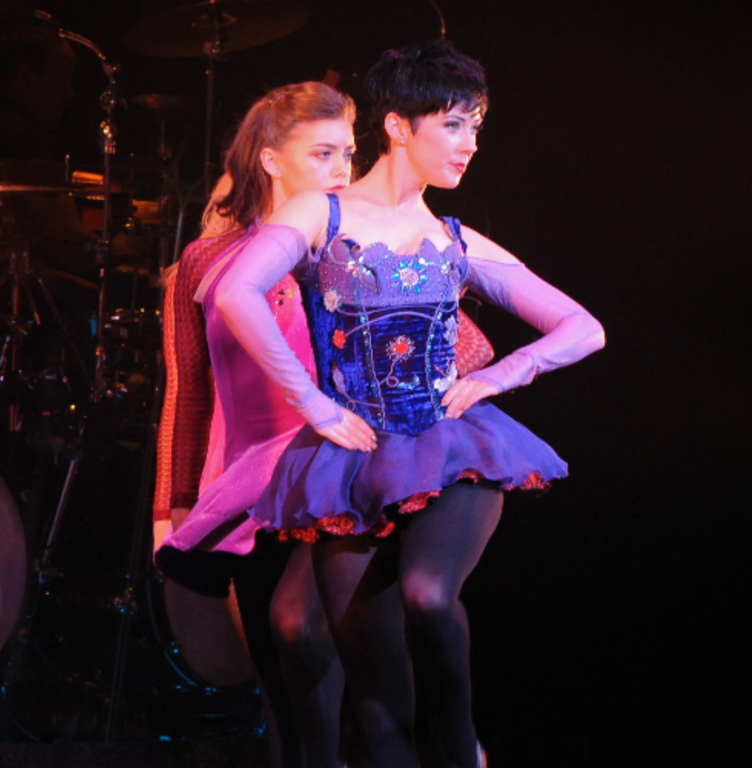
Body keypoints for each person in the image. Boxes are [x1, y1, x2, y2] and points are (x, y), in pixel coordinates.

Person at [194, 41, 605, 768]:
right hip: (350, 464)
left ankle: (461, 746)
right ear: (396, 126)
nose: (470, 144)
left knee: (424, 593)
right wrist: (313, 403)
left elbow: (583, 328)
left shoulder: (456, 240)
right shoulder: (319, 214)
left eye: (477, 127)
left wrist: (497, 377)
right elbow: (234, 293)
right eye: (454, 124)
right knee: (378, 700)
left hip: (449, 450)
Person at [153, 80, 496, 767]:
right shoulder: (205, 261)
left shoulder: (350, 249)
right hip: (251, 493)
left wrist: (406, 396)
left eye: (348, 152)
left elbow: (468, 343)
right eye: (323, 153)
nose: (343, 170)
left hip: (339, 479)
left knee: (325, 646)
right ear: (271, 161)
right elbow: (189, 393)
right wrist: (174, 506)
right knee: (285, 698)